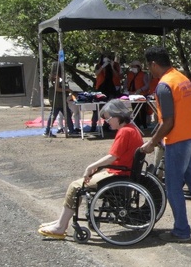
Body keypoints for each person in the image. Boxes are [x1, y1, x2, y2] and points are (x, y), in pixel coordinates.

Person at [140, 46, 191, 239]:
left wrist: (152, 142)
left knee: (173, 185)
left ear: (154, 64)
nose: (149, 71)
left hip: (180, 140)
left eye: (149, 67)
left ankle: (181, 230)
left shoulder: (164, 85)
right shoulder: (181, 78)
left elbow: (168, 121)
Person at [37, 99, 143, 239]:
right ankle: (60, 221)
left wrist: (92, 166)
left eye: (108, 118)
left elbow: (112, 157)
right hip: (123, 172)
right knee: (79, 183)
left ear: (117, 116)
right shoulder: (133, 129)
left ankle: (61, 226)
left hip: (118, 174)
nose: (107, 122)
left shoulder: (124, 132)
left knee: (75, 186)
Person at [44, 62, 74, 137]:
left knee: (65, 115)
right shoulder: (57, 77)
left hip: (56, 100)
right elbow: (57, 89)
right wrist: (67, 90)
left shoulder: (51, 77)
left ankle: (71, 130)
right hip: (58, 100)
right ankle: (71, 130)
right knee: (57, 116)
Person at [91, 53, 119, 132]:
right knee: (98, 107)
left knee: (110, 107)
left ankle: (106, 125)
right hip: (101, 87)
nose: (106, 58)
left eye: (108, 57)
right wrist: (103, 66)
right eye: (105, 57)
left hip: (111, 87)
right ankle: (93, 125)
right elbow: (96, 73)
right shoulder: (99, 65)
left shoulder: (114, 65)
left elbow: (117, 75)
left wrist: (112, 66)